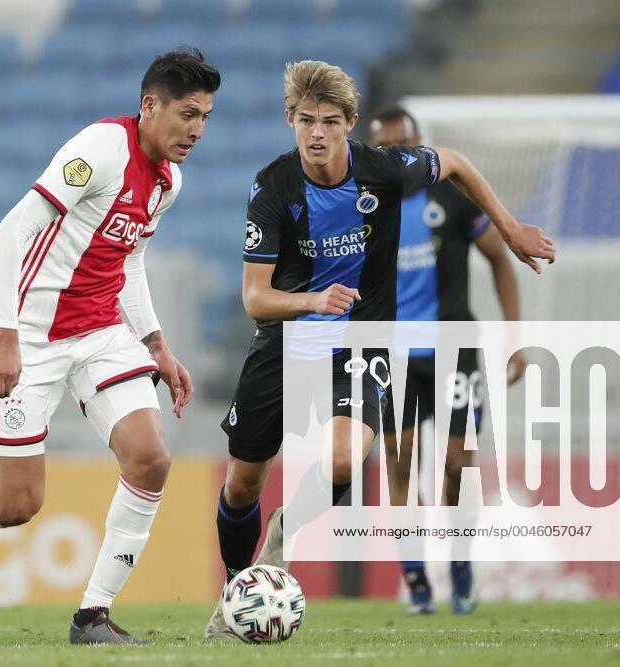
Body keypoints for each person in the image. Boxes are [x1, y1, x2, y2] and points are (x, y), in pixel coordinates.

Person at [0, 47, 219, 645]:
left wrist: (155, 343)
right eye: (187, 113)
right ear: (150, 106)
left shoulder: (168, 183)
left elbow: (129, 260)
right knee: (19, 503)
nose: (197, 129)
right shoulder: (101, 150)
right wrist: (4, 334)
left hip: (102, 333)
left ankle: (92, 616)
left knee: (151, 457)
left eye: (205, 116)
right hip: (30, 337)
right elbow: (10, 231)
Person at [206, 60, 554, 637]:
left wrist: (511, 229)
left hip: (363, 342)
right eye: (307, 121)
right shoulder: (272, 188)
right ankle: (239, 588)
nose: (318, 133)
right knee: (243, 483)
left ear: (351, 124)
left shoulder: (385, 171)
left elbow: (459, 163)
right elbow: (255, 298)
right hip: (286, 341)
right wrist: (312, 301)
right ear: (290, 120)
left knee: (346, 457)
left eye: (331, 122)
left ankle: (286, 533)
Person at [369, 106, 527, 615]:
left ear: (420, 146)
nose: (397, 157)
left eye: (403, 146)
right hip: (394, 356)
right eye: (385, 149)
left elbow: (500, 258)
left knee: (458, 464)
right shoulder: (365, 209)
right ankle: (416, 580)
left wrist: (514, 336)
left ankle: (460, 565)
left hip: (455, 350)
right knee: (401, 466)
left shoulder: (454, 199)